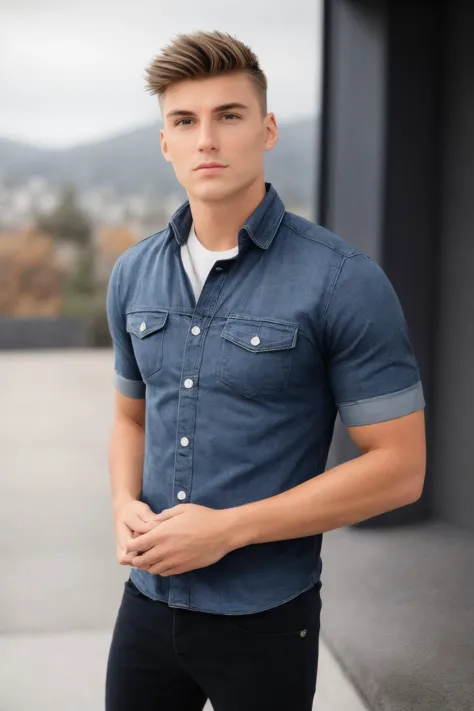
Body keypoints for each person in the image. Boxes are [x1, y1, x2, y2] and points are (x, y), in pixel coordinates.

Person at [105, 30, 426, 711]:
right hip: (147, 606)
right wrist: (121, 503)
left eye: (229, 115)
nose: (206, 140)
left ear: (268, 128)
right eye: (184, 122)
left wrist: (229, 528)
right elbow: (130, 414)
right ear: (165, 142)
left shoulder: (342, 281)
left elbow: (400, 468)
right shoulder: (133, 272)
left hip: (267, 618)